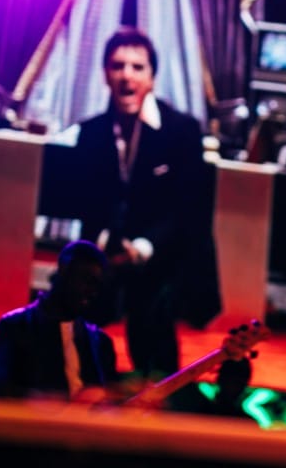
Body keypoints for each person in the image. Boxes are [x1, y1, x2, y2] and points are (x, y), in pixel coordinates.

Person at [64, 27, 220, 384]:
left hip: (164, 255)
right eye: (118, 66)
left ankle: (159, 392)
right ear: (105, 74)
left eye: (137, 67)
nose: (126, 76)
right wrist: (107, 245)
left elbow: (187, 210)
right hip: (107, 252)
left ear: (152, 77)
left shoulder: (181, 130)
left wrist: (143, 248)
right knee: (76, 318)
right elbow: (88, 202)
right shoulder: (91, 133)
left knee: (153, 318)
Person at [0, 239, 122, 400]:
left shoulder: (100, 342)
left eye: (97, 285)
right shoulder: (13, 328)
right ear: (64, 272)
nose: (92, 292)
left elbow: (112, 401)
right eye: (87, 281)